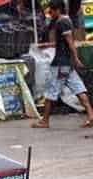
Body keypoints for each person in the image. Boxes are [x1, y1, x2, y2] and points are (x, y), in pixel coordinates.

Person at [33, 0, 93, 129]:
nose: (50, 14)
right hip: (67, 64)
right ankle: (91, 116)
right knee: (79, 89)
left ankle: (45, 121)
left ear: (58, 10)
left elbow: (70, 43)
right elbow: (63, 43)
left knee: (51, 92)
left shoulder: (62, 22)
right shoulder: (67, 20)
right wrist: (47, 45)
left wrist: (76, 58)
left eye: (51, 11)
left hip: (61, 64)